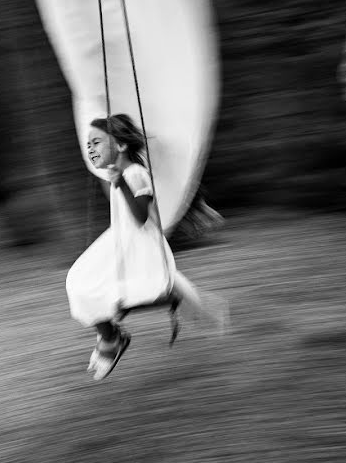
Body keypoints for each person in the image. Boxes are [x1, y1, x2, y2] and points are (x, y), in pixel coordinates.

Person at [66, 114, 228, 380]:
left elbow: (141, 217)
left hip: (137, 244)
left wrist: (120, 183)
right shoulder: (121, 174)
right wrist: (115, 180)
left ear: (119, 146)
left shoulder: (137, 174)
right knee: (83, 285)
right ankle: (112, 336)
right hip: (119, 239)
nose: (90, 149)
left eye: (96, 142)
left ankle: (113, 339)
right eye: (88, 144)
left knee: (96, 291)